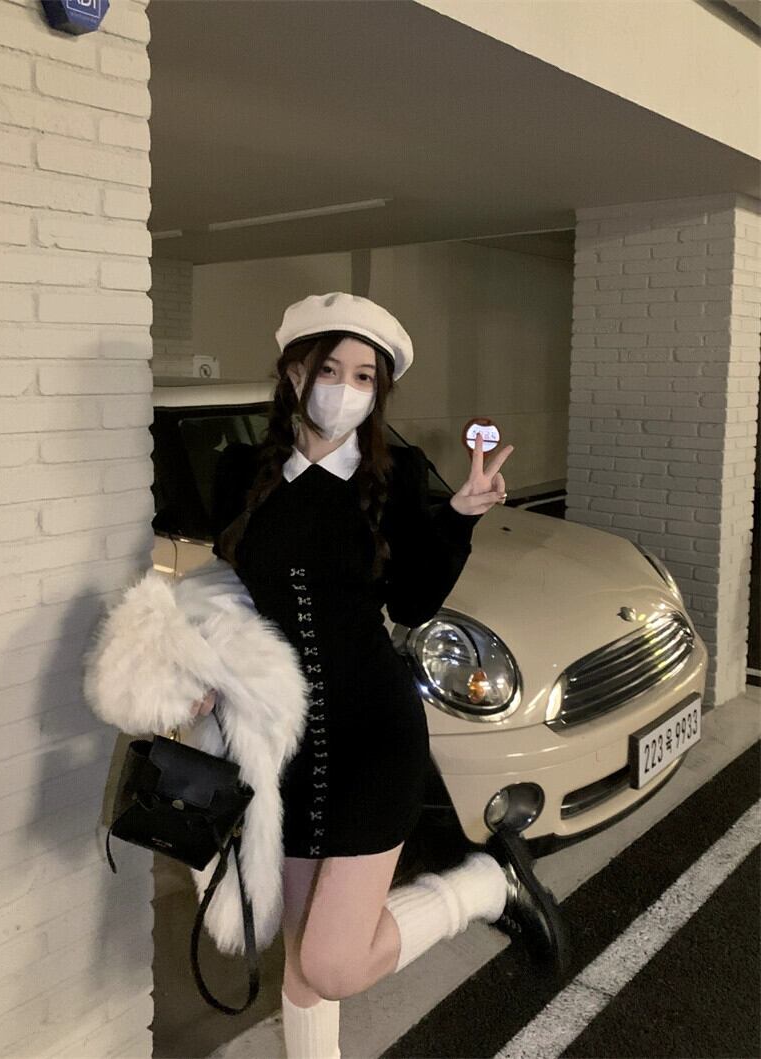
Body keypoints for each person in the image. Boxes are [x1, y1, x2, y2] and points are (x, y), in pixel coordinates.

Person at [190, 292, 568, 1059]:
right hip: (287, 741)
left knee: (333, 961)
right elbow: (228, 586)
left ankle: (481, 886)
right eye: (329, 368)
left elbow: (415, 599)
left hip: (375, 733)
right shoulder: (241, 473)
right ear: (294, 372)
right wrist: (206, 661)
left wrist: (459, 515)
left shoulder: (392, 479)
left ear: (378, 390)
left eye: (364, 376)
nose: (345, 388)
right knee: (302, 954)